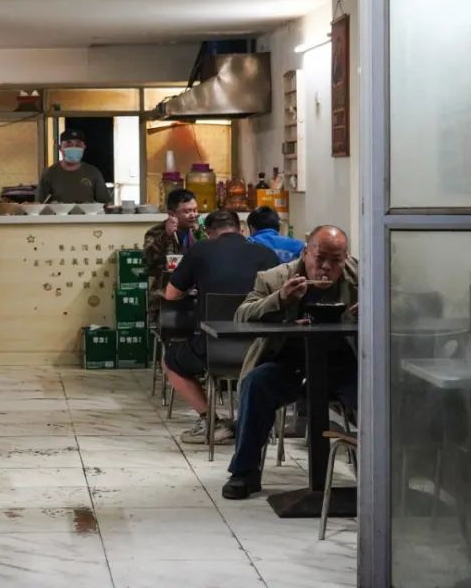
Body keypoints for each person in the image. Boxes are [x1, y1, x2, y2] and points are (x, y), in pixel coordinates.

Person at [222, 225, 359, 500]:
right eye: (320, 258)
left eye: (336, 260)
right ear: (305, 253)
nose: (327, 267)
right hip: (288, 362)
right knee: (256, 384)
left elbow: (401, 302)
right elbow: (241, 315)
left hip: (343, 363)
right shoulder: (275, 278)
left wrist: (377, 307)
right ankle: (244, 472)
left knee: (376, 391)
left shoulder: (361, 278)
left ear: (346, 258)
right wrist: (280, 299)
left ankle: (382, 472)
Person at [162, 211, 280, 444]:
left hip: (213, 350)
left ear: (208, 233)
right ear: (241, 229)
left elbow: (171, 294)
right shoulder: (267, 254)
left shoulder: (200, 250)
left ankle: (211, 422)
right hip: (262, 351)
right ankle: (260, 424)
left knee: (170, 361)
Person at [143, 188, 204, 285]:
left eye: (195, 210)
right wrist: (166, 235)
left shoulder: (200, 231)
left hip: (196, 286)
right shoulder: (155, 232)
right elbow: (148, 260)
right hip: (166, 287)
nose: (193, 215)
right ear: (172, 214)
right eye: (187, 211)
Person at [36, 128, 112, 204]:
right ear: (60, 148)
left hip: (87, 212)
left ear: (84, 147)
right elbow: (39, 204)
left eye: (78, 145)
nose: (74, 148)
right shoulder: (49, 173)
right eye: (68, 144)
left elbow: (104, 203)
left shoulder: (93, 172)